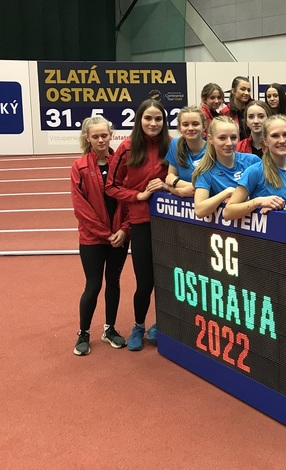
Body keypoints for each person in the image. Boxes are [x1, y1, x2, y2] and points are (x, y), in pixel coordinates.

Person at [106, 99, 170, 351]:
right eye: (148, 118)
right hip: (141, 223)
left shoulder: (172, 146)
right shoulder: (127, 147)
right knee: (145, 283)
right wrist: (138, 196)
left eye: (158, 119)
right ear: (139, 120)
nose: (153, 123)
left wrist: (167, 186)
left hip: (169, 222)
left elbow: (184, 178)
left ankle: (164, 325)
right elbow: (111, 186)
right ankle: (139, 326)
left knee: (169, 280)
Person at [70, 116, 130, 356]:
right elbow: (81, 208)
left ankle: (109, 329)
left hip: (119, 237)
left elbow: (129, 200)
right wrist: (106, 234)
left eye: (104, 135)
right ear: (87, 138)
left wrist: (124, 229)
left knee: (113, 282)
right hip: (93, 239)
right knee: (93, 285)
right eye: (95, 136)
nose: (101, 140)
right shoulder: (80, 167)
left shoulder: (121, 164)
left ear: (111, 135)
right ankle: (84, 332)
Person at [223, 115, 286, 220]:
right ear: (265, 141)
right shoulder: (255, 171)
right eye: (275, 136)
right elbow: (228, 212)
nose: (282, 140)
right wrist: (258, 202)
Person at [192, 116, 260, 218]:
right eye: (222, 138)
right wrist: (227, 192)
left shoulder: (252, 161)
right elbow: (199, 210)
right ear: (210, 139)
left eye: (233, 138)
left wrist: (238, 198)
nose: (229, 143)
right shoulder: (205, 171)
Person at [165, 106, 206, 198]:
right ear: (179, 128)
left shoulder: (213, 149)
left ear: (204, 127)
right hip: (184, 205)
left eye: (195, 124)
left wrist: (176, 182)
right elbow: (169, 182)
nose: (190, 128)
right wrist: (179, 192)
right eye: (185, 124)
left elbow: (212, 189)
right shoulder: (175, 144)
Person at [220, 76, 252, 140]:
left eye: (248, 90)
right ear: (233, 91)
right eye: (243, 89)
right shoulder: (225, 113)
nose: (246, 93)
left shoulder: (253, 110)